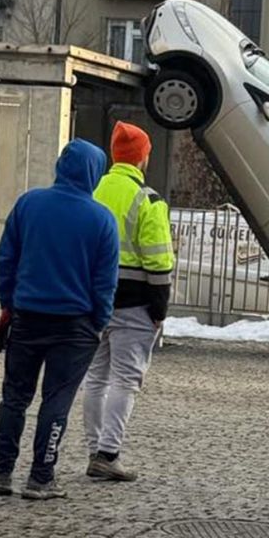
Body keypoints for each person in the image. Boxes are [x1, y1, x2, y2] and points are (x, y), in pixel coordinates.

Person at [0, 139, 120, 500]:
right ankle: (41, 477)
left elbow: (6, 258)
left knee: (14, 397)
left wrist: (8, 304)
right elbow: (105, 282)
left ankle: (1, 473)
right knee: (56, 401)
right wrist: (98, 321)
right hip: (75, 326)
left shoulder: (29, 204)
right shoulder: (101, 219)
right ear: (95, 172)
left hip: (27, 318)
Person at [81, 122, 174, 482]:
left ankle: (93, 450)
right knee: (126, 380)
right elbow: (158, 261)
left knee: (95, 377)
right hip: (134, 304)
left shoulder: (92, 190)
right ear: (142, 158)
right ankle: (108, 453)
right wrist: (159, 309)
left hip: (92, 300)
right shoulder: (147, 200)